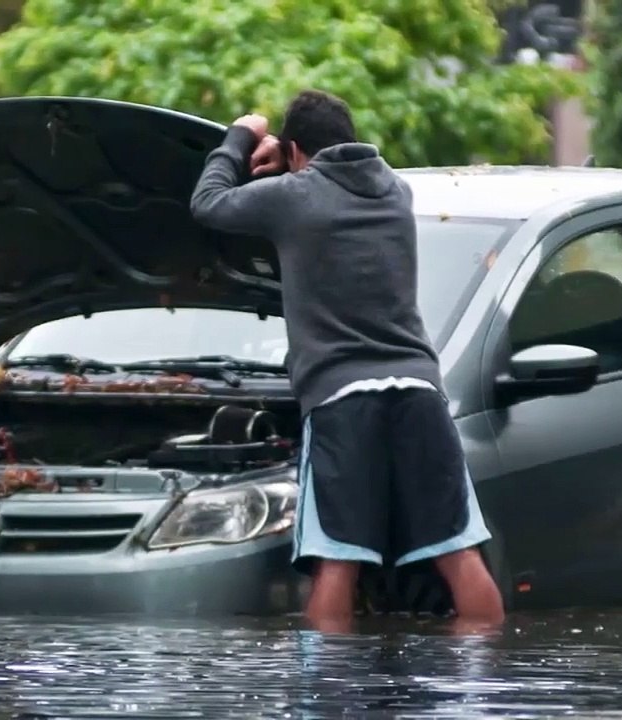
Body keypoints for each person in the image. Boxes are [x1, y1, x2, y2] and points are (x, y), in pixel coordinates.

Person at [189, 90, 505, 627]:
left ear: (295, 151)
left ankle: (332, 678)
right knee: (457, 553)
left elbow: (208, 203)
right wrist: (286, 157)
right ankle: (480, 672)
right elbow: (325, 180)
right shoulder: (396, 191)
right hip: (419, 393)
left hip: (342, 400)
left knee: (338, 561)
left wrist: (243, 135)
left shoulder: (292, 196)